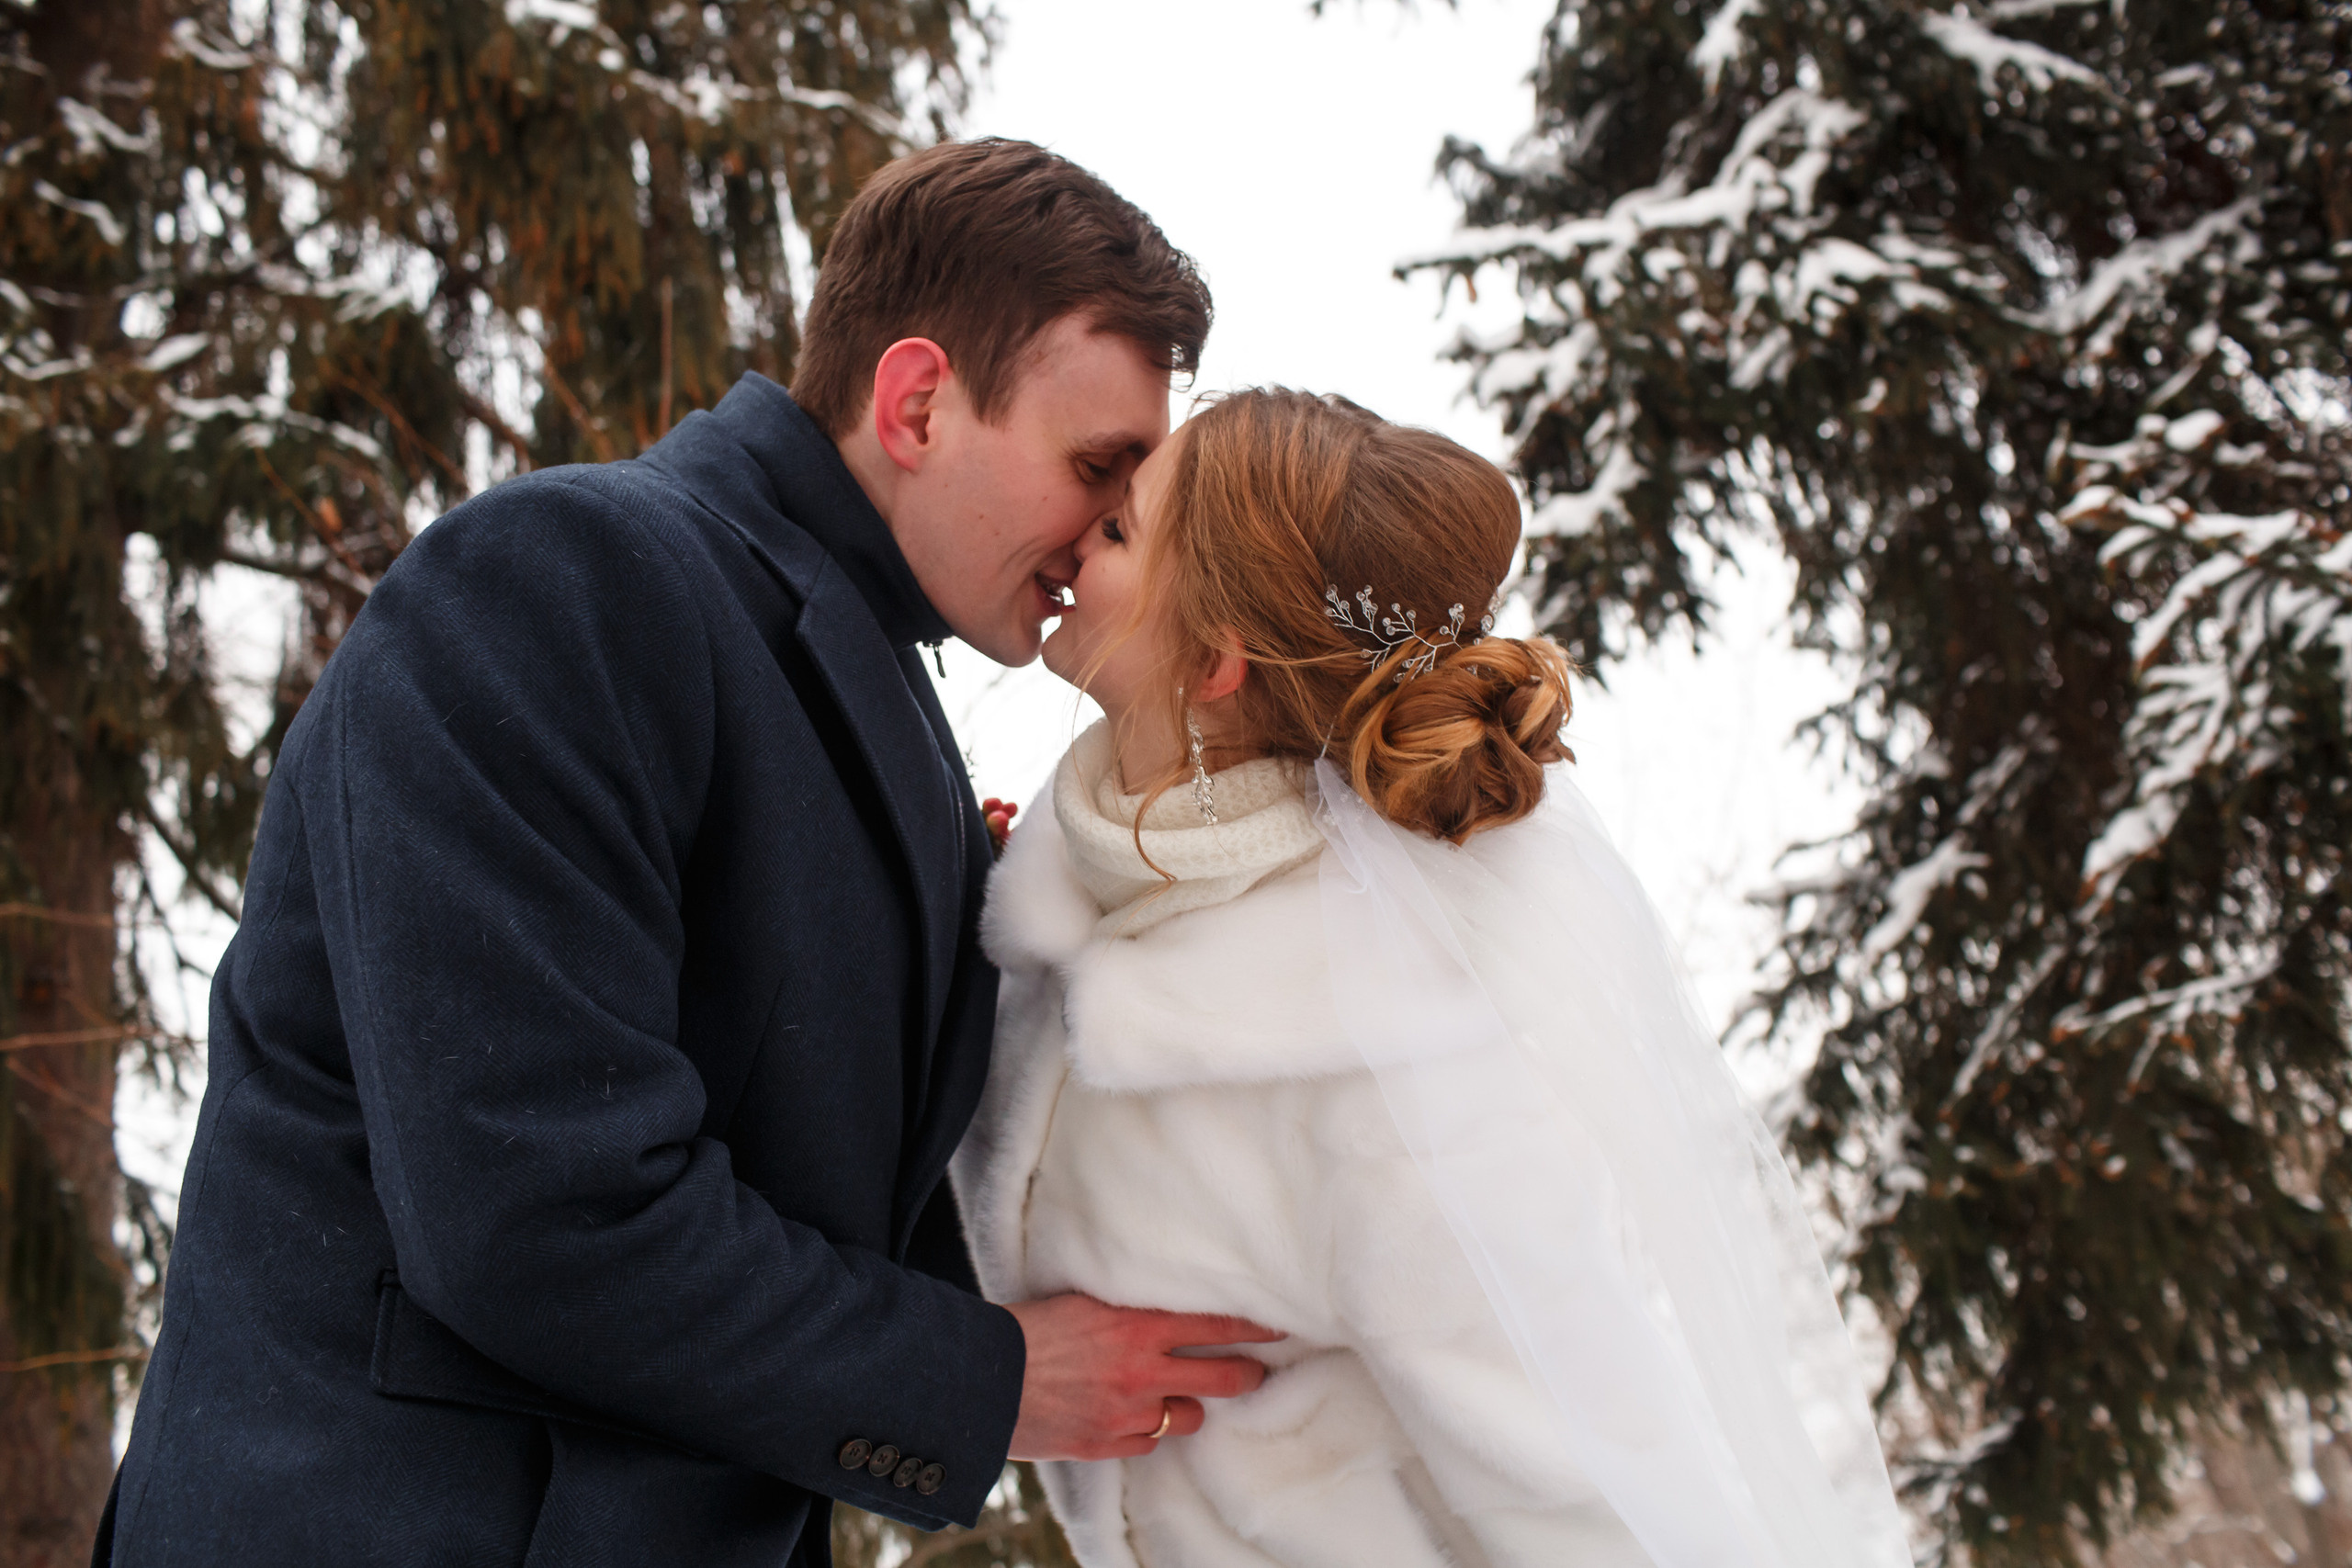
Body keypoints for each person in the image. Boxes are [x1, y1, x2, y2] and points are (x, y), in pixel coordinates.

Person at [96, 139, 1280, 1568]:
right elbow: (536, 1209)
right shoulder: (562, 577)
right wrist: (988, 1380)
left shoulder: (883, 707)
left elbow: (887, 1208)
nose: (1107, 527)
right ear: (916, 402)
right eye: (1097, 465)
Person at [956, 388, 1913, 1568]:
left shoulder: (1397, 1062)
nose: (1075, 523)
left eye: (1117, 533)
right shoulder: (1068, 888)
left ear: (1213, 659)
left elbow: (1576, 1488)